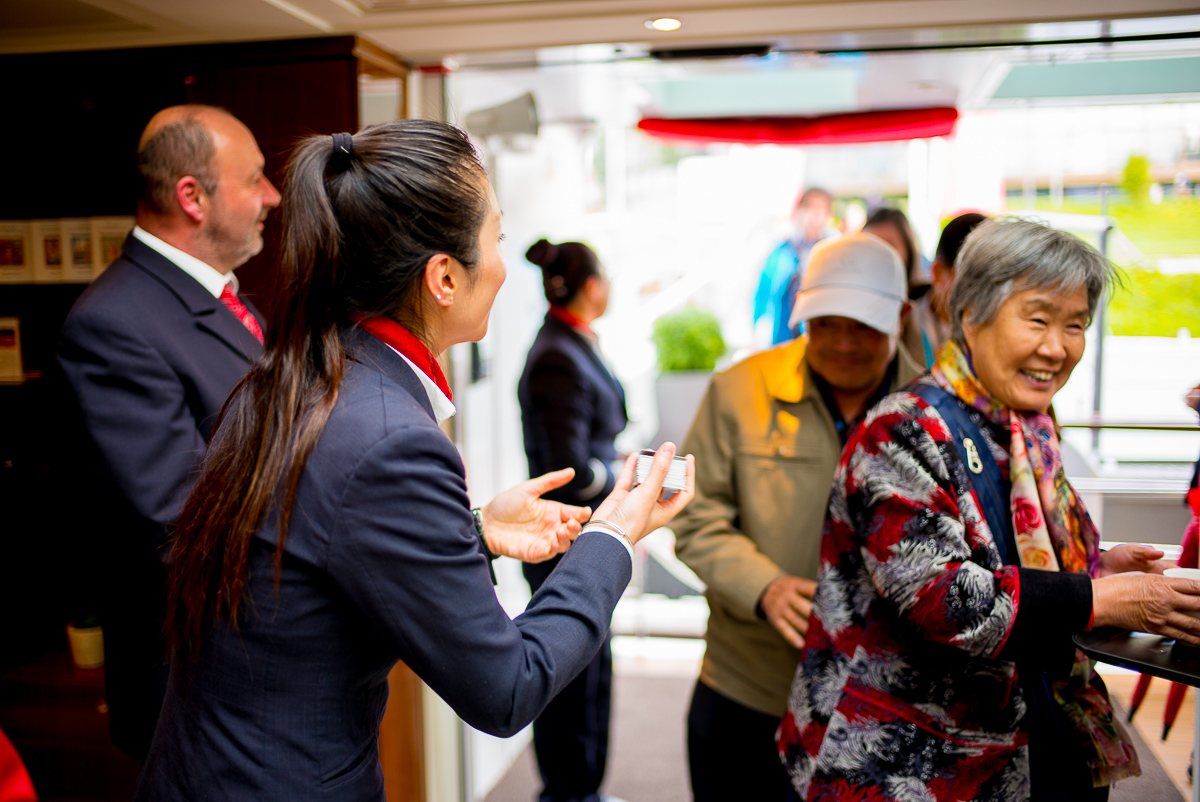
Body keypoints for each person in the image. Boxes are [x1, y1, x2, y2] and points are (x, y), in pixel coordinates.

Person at [134, 120, 694, 800]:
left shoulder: (288, 378)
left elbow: (305, 546)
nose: (502, 264)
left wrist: (476, 528)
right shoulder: (390, 435)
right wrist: (613, 535)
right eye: (497, 240)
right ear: (444, 278)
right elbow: (506, 687)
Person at [779, 217, 1200, 801]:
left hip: (1019, 745)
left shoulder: (1025, 426)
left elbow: (1000, 549)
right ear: (969, 314)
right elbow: (942, 598)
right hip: (902, 765)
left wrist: (1100, 569)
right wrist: (1099, 599)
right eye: (1037, 319)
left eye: (1075, 325)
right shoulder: (902, 428)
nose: (1056, 347)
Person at [56, 104, 280, 759]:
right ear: (192, 197)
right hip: (204, 699)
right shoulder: (113, 325)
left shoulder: (236, 303)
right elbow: (180, 530)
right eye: (255, 179)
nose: (271, 197)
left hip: (262, 683)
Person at [674, 234, 921, 801]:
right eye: (825, 323)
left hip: (885, 702)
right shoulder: (739, 391)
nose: (843, 343)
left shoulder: (931, 410)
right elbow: (692, 511)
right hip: (748, 687)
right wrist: (763, 585)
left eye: (863, 326)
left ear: (903, 317)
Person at [519, 239, 628, 802]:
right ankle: (568, 791)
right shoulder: (558, 354)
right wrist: (623, 476)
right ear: (592, 286)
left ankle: (583, 789)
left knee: (591, 671)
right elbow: (568, 469)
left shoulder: (568, 340)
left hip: (582, 534)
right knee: (573, 681)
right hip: (563, 540)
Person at [904, 211, 988, 368]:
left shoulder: (998, 327)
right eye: (972, 281)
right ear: (937, 272)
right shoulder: (903, 327)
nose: (984, 293)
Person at [753, 187, 833, 346]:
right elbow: (764, 292)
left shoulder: (835, 250)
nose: (814, 215)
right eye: (809, 208)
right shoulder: (783, 250)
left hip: (820, 334)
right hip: (785, 334)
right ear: (799, 211)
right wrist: (761, 324)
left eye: (820, 209)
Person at [862, 206, 920, 289]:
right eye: (871, 246)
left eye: (889, 245)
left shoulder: (929, 299)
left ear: (908, 249)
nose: (880, 255)